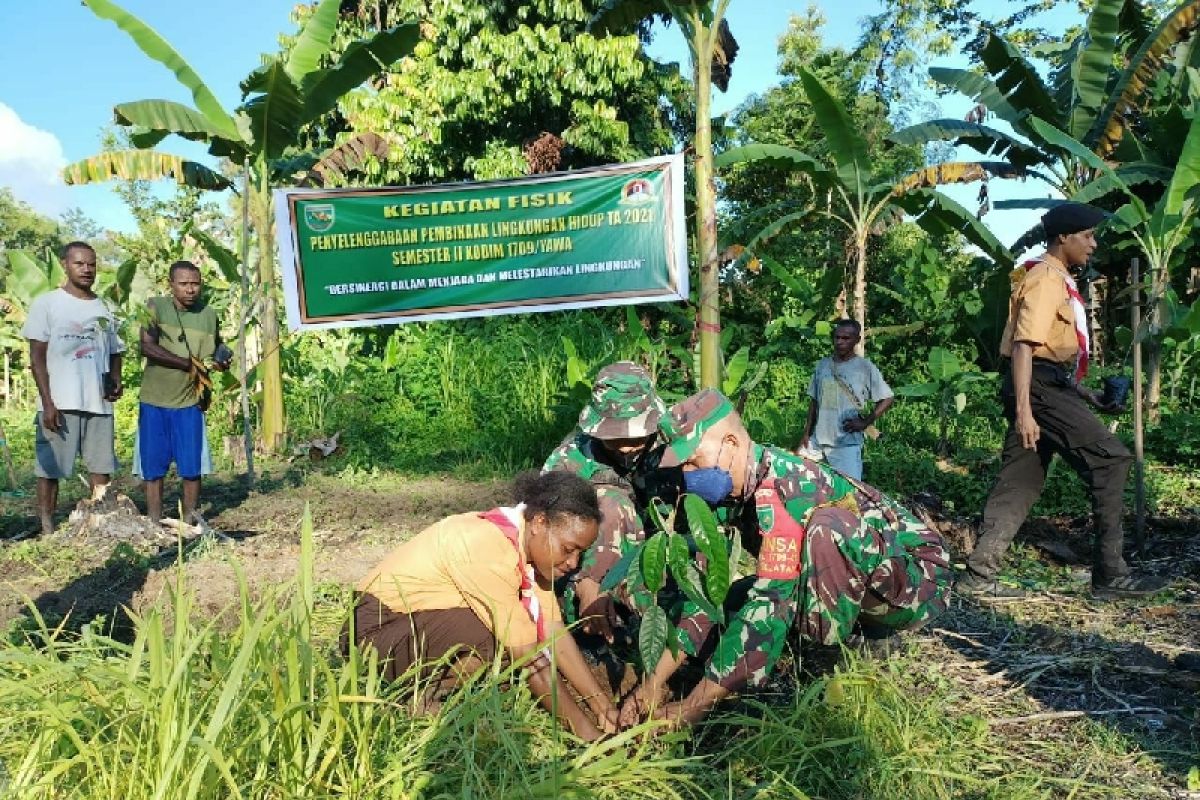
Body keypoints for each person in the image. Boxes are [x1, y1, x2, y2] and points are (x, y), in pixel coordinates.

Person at [621, 389, 952, 728]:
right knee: (733, 600)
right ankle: (834, 634)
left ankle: (827, 661)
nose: (688, 474)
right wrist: (652, 683)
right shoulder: (733, 489)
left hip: (918, 583)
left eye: (693, 461)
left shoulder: (784, 490)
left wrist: (692, 707)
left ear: (731, 445)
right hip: (867, 578)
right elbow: (705, 593)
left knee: (826, 531)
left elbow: (768, 608)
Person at [957, 202, 1168, 601]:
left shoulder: (1056, 278)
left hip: (1043, 385)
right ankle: (1111, 575)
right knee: (1112, 459)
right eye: (1087, 236)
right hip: (1035, 388)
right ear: (1064, 238)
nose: (1093, 244)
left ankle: (978, 575)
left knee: (1020, 481)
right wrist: (1024, 411)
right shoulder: (1045, 280)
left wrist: (1088, 396)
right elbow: (1024, 348)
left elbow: (1049, 358)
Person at [345, 471, 619, 741]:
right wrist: (587, 734)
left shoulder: (528, 554)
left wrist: (602, 706)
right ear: (538, 522)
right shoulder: (486, 546)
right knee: (499, 639)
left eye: (581, 553)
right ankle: (416, 698)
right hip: (373, 634)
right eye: (568, 549)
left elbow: (554, 634)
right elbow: (527, 655)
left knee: (510, 633)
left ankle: (430, 690)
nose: (573, 563)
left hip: (415, 627)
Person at [542, 361, 678, 644]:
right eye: (614, 438)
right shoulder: (570, 460)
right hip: (585, 569)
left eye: (635, 435)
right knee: (611, 504)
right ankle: (590, 621)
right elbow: (544, 532)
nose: (626, 447)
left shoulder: (674, 444)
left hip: (657, 555)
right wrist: (586, 582)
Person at [23, 241, 125, 536]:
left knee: (101, 467)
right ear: (65, 265)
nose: (87, 270)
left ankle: (100, 525)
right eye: (79, 264)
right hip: (60, 402)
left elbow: (116, 350)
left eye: (91, 264)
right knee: (50, 469)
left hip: (98, 403)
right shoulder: (48, 303)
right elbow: (37, 357)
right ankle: (46, 527)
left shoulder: (105, 307)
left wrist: (115, 379)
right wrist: (48, 402)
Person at [136, 260, 230, 524]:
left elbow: (217, 346)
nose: (190, 289)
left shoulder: (209, 314)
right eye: (184, 283)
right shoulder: (155, 307)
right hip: (155, 400)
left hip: (191, 401)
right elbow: (147, 347)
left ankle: (189, 522)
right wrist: (187, 364)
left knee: (191, 467)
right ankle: (154, 521)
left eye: (195, 283)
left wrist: (222, 357)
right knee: (153, 468)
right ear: (171, 284)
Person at [798, 319, 893, 480]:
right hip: (817, 441)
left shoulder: (865, 367)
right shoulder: (823, 365)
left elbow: (887, 398)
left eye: (846, 338)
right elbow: (814, 401)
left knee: (849, 492)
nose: (840, 342)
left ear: (857, 340)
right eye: (837, 337)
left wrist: (865, 422)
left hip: (846, 444)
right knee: (798, 481)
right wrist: (806, 433)